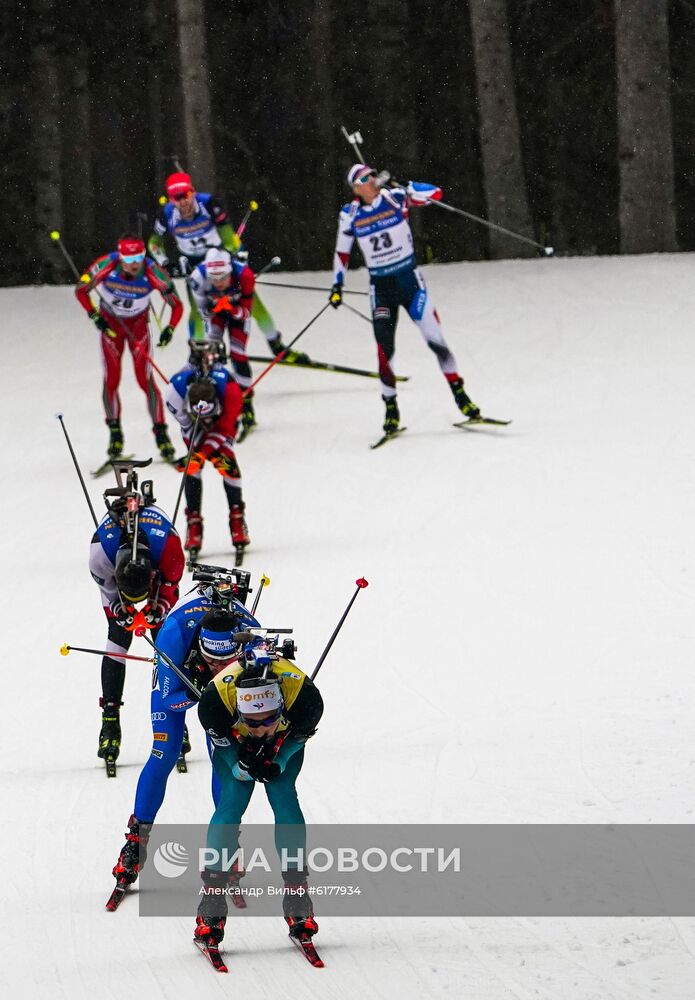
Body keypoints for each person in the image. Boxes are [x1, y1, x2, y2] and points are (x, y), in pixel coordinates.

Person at [110, 595, 260, 894]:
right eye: (212, 660)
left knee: (225, 758)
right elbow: (169, 698)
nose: (219, 667)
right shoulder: (174, 635)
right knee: (164, 752)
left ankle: (226, 841)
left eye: (226, 661)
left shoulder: (252, 636)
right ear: (200, 648)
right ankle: (136, 841)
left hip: (223, 690)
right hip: (182, 679)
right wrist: (196, 693)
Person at [329, 164, 482, 434]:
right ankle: (390, 408)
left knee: (436, 340)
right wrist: (337, 285)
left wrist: (407, 187)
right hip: (382, 288)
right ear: (356, 188)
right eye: (365, 179)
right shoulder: (349, 214)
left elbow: (436, 194)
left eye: (373, 175)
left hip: (409, 282)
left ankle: (461, 396)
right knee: (384, 349)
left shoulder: (395, 198)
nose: (372, 180)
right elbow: (342, 252)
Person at [194, 654, 324, 950]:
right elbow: (225, 746)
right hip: (232, 736)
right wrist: (240, 765)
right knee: (232, 801)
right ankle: (211, 901)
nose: (259, 729)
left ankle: (297, 893)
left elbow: (296, 740)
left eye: (266, 720)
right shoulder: (214, 704)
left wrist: (278, 760)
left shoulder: (306, 700)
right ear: (239, 709)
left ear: (281, 707)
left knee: (283, 797)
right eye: (251, 721)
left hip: (286, 736)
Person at [149, 172, 304, 364]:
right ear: (171, 200)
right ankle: (197, 352)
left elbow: (229, 237)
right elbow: (154, 244)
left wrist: (231, 257)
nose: (183, 202)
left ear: (193, 192)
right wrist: (165, 262)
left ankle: (277, 345)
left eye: (186, 195)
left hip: (220, 262)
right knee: (198, 310)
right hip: (195, 267)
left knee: (252, 304)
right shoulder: (166, 214)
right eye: (176, 198)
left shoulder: (208, 204)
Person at [76, 234, 182, 460]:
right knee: (111, 379)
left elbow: (177, 305)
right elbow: (81, 289)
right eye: (129, 257)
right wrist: (95, 316)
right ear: (120, 256)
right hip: (112, 328)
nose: (134, 263)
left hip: (137, 328)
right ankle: (115, 433)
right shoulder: (106, 264)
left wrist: (170, 328)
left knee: (145, 380)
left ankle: (161, 435)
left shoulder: (153, 272)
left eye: (139, 257)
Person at [165, 364, 250, 561]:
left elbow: (224, 429)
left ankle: (237, 519)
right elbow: (187, 428)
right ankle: (193, 522)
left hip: (223, 422)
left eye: (211, 416)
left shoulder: (231, 392)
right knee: (192, 468)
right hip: (191, 424)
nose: (207, 422)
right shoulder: (174, 395)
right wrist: (195, 457)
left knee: (227, 463)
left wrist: (202, 455)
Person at [188, 248, 258, 432]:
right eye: (214, 278)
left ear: (230, 272)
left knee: (238, 353)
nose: (218, 283)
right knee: (209, 353)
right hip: (216, 316)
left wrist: (232, 308)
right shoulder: (197, 278)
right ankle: (213, 402)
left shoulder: (245, 275)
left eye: (223, 277)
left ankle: (247, 404)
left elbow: (247, 312)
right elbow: (202, 311)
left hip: (237, 315)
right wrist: (216, 308)